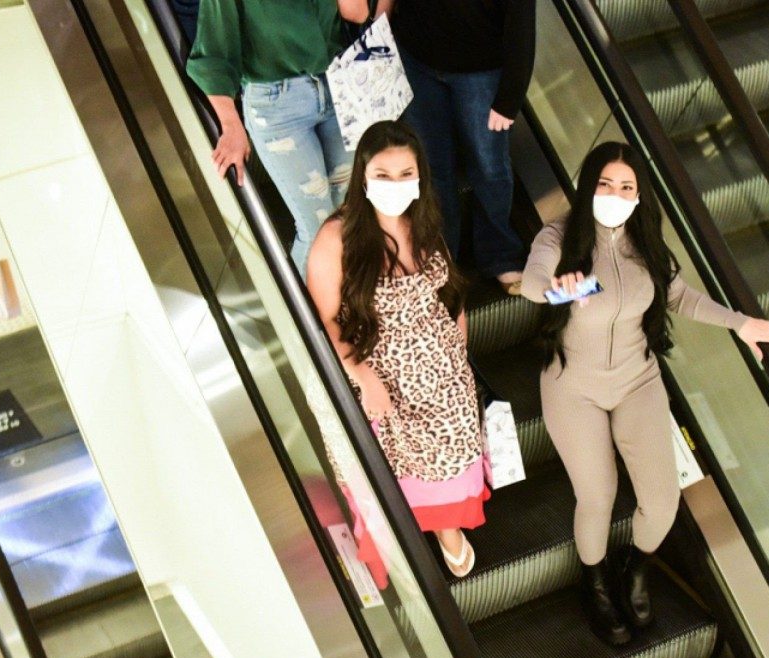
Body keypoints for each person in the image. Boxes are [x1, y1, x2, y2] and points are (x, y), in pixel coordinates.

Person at [521, 142, 769, 646]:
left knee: (662, 503)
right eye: (604, 184)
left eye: (627, 188)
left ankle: (636, 567)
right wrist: (561, 286)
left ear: (640, 196)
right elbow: (532, 285)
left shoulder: (645, 242)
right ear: (587, 185)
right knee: (598, 495)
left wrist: (740, 323)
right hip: (573, 385)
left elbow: (679, 294)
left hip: (637, 379)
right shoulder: (559, 236)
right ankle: (594, 578)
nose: (615, 195)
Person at [309, 121, 489, 579]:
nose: (395, 185)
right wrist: (365, 378)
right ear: (363, 176)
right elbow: (327, 320)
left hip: (442, 370)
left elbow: (449, 291)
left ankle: (447, 525)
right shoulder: (337, 238)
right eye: (383, 175)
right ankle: (405, 534)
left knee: (453, 443)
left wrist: (457, 353)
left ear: (420, 177)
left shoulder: (423, 223)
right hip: (379, 375)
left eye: (405, 173)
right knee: (388, 466)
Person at [186, 0, 371, 274]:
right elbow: (213, 52)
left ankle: (338, 305)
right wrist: (231, 125)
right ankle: (305, 316)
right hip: (276, 105)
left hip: (338, 88)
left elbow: (357, 12)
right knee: (317, 227)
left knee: (346, 217)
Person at [380, 0, 534, 294]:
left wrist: (510, 97)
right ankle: (442, 257)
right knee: (431, 168)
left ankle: (500, 255)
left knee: (489, 166)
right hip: (416, 59)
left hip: (481, 71)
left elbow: (522, 23)